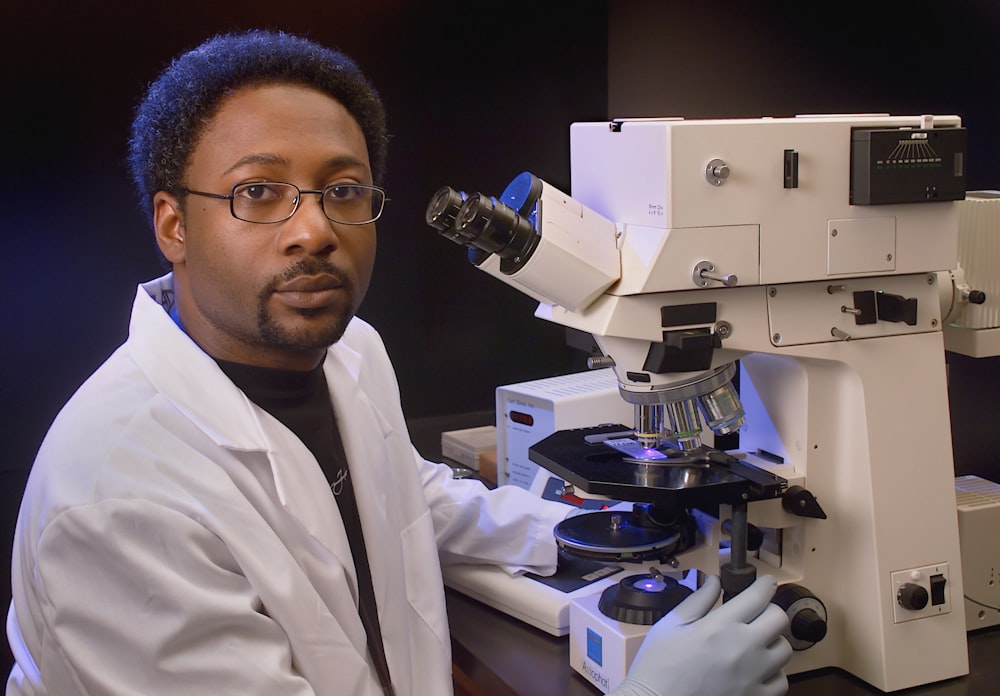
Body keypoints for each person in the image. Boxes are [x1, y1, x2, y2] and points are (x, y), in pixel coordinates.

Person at [6, 30, 791, 696]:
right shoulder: (117, 502)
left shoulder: (350, 350)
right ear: (173, 224)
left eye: (343, 189)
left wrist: (601, 529)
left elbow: (404, 495)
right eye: (258, 191)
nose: (312, 228)